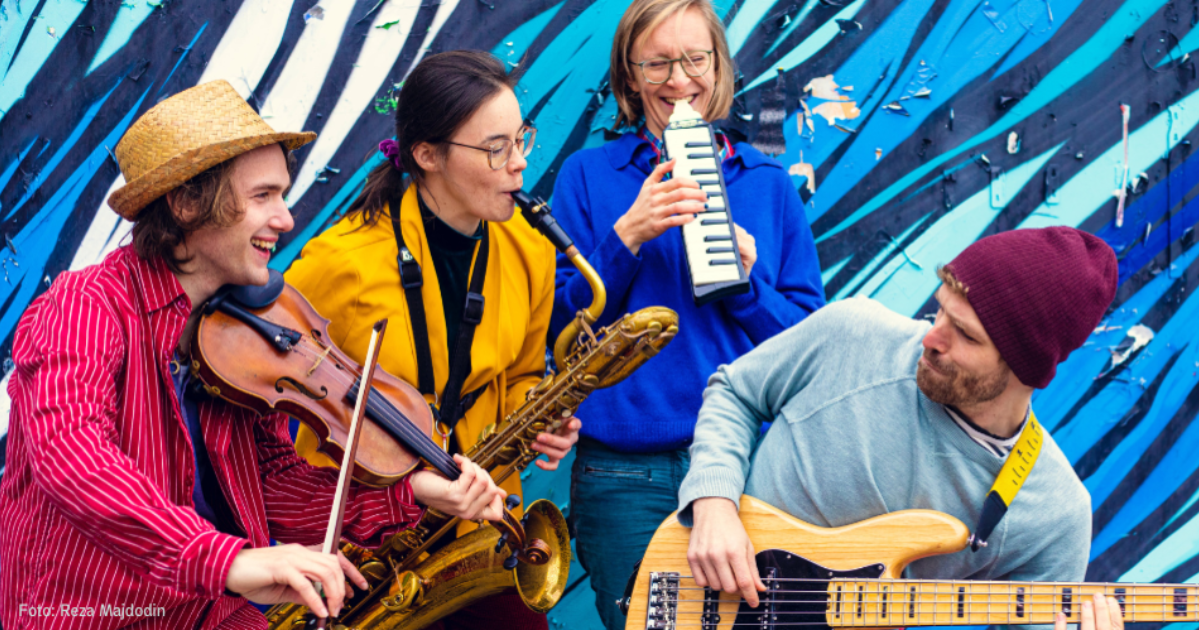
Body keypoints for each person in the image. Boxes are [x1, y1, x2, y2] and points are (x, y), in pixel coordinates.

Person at [0, 80, 506, 630]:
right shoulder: (85, 306)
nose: (285, 219)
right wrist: (230, 562)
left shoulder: (244, 332)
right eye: (263, 196)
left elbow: (271, 484)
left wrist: (413, 491)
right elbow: (74, 458)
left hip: (211, 611)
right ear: (187, 203)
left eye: (282, 195)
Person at [548, 0, 825, 626]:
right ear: (629, 76)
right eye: (657, 64)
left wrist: (748, 286)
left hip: (752, 468)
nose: (678, 80)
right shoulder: (588, 177)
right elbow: (558, 330)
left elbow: (810, 349)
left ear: (718, 65)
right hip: (624, 476)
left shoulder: (767, 184)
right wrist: (626, 238)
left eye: (695, 59)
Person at [285, 51, 580, 630]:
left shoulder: (530, 249)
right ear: (426, 155)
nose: (520, 163)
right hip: (367, 547)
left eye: (521, 138)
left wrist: (539, 413)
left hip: (484, 530)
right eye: (495, 148)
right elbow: (280, 403)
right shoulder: (338, 263)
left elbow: (522, 371)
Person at [681, 227, 1117, 609]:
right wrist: (714, 504)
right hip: (699, 598)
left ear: (1026, 368)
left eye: (965, 334)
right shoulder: (853, 332)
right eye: (940, 309)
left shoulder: (1055, 515)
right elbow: (735, 391)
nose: (931, 337)